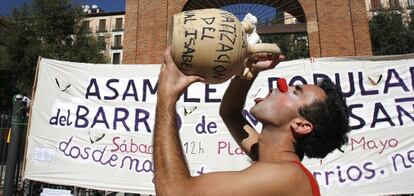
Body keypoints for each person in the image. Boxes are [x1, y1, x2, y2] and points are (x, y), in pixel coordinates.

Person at [153, 46, 350, 195]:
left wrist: (166, 99)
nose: (280, 85)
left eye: (294, 92)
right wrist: (250, 71)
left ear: (301, 125)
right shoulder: (268, 158)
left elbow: (175, 192)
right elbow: (230, 112)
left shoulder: (286, 175)